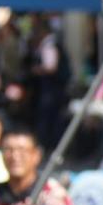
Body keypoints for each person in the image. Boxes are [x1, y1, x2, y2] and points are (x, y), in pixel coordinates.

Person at [30, 19, 70, 153]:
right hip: (54, 90)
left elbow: (50, 67)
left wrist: (37, 70)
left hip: (52, 90)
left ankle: (49, 146)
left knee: (49, 119)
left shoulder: (49, 45)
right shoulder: (53, 43)